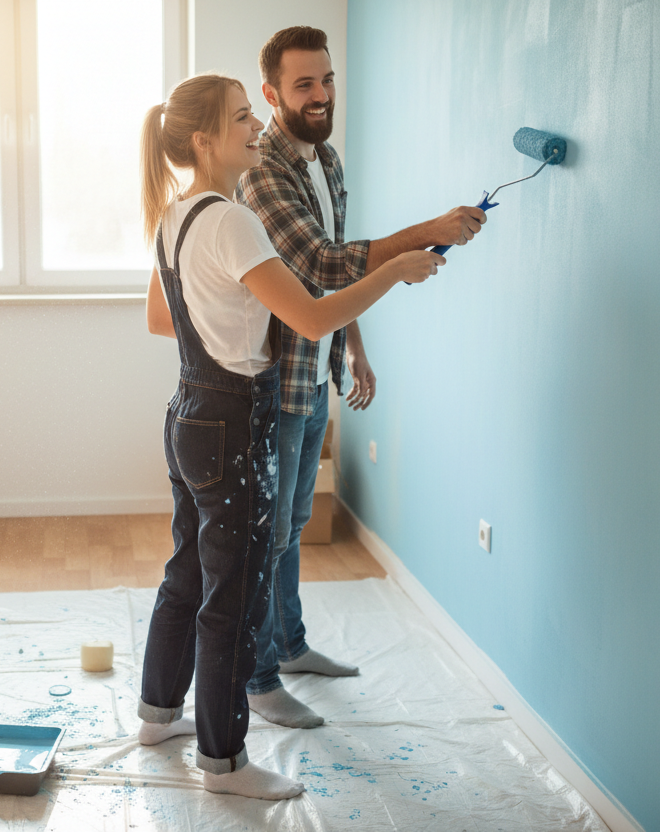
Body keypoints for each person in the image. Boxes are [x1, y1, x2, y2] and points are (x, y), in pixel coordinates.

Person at [136, 72, 445, 801]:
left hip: (187, 412)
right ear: (205, 139)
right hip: (236, 422)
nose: (256, 127)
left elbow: (162, 320)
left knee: (188, 571)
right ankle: (224, 762)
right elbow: (312, 319)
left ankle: (157, 716)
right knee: (234, 594)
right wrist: (395, 270)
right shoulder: (232, 218)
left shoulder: (174, 216)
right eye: (243, 118)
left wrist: (236, 308)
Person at [236, 26, 487, 730]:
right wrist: (424, 232)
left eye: (327, 80)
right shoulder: (263, 175)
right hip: (278, 381)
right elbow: (320, 263)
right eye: (302, 85)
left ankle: (289, 646)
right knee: (271, 535)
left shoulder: (328, 160)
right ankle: (257, 680)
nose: (320, 96)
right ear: (272, 94)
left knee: (295, 521)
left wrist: (355, 346)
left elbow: (339, 271)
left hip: (315, 375)